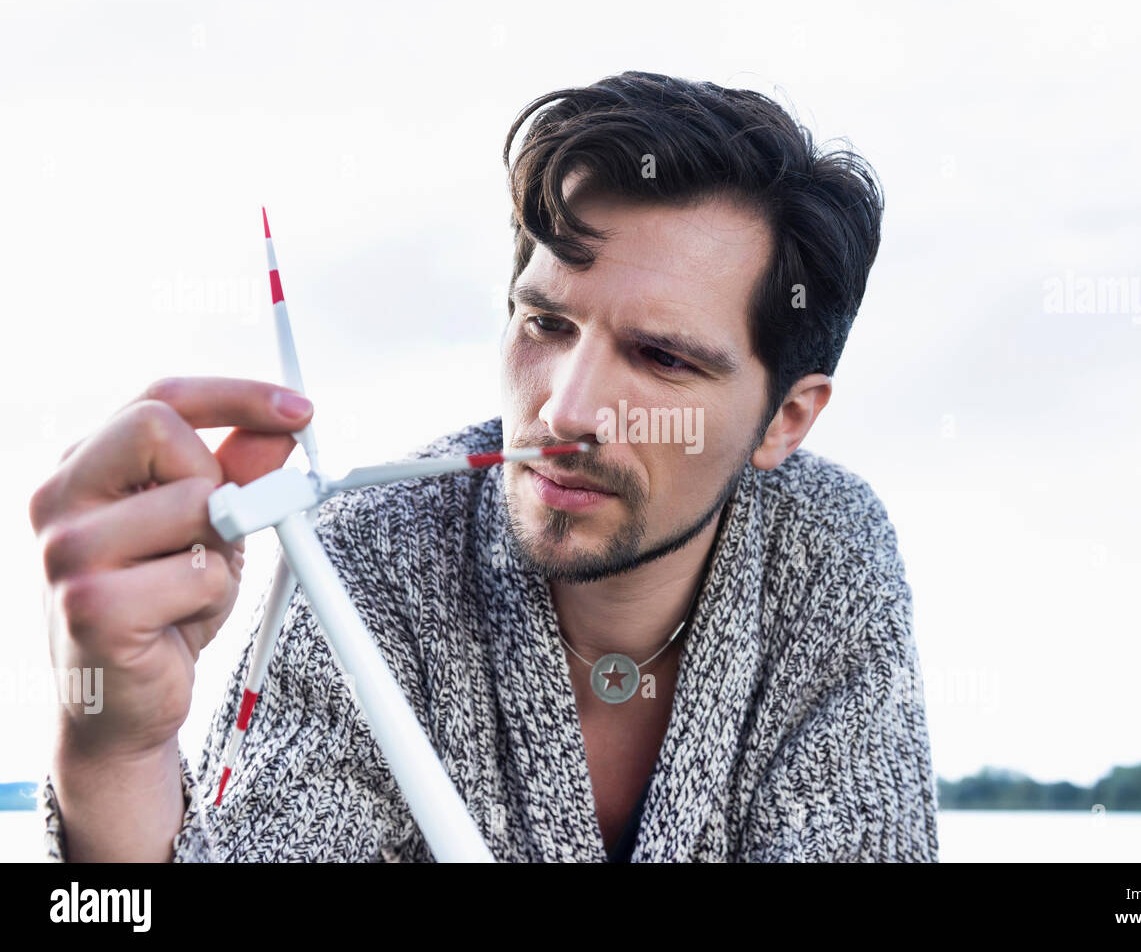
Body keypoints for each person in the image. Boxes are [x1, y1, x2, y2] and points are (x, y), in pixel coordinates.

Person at [30, 71, 939, 862]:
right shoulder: (378, 550)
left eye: (662, 357)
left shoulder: (825, 554)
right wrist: (112, 749)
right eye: (546, 323)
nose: (567, 410)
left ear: (786, 418)